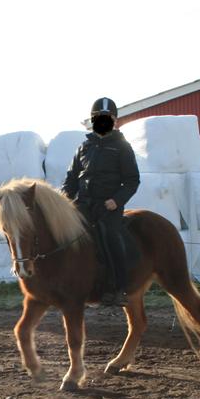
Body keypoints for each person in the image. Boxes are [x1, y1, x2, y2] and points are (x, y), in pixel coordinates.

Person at [61, 97, 140, 306]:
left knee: (111, 236)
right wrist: (64, 199)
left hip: (108, 207)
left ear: (114, 120)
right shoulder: (83, 148)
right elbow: (71, 178)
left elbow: (132, 181)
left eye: (108, 117)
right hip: (83, 204)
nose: (103, 120)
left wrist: (116, 200)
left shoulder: (122, 147)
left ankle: (120, 287)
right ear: (93, 120)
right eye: (99, 117)